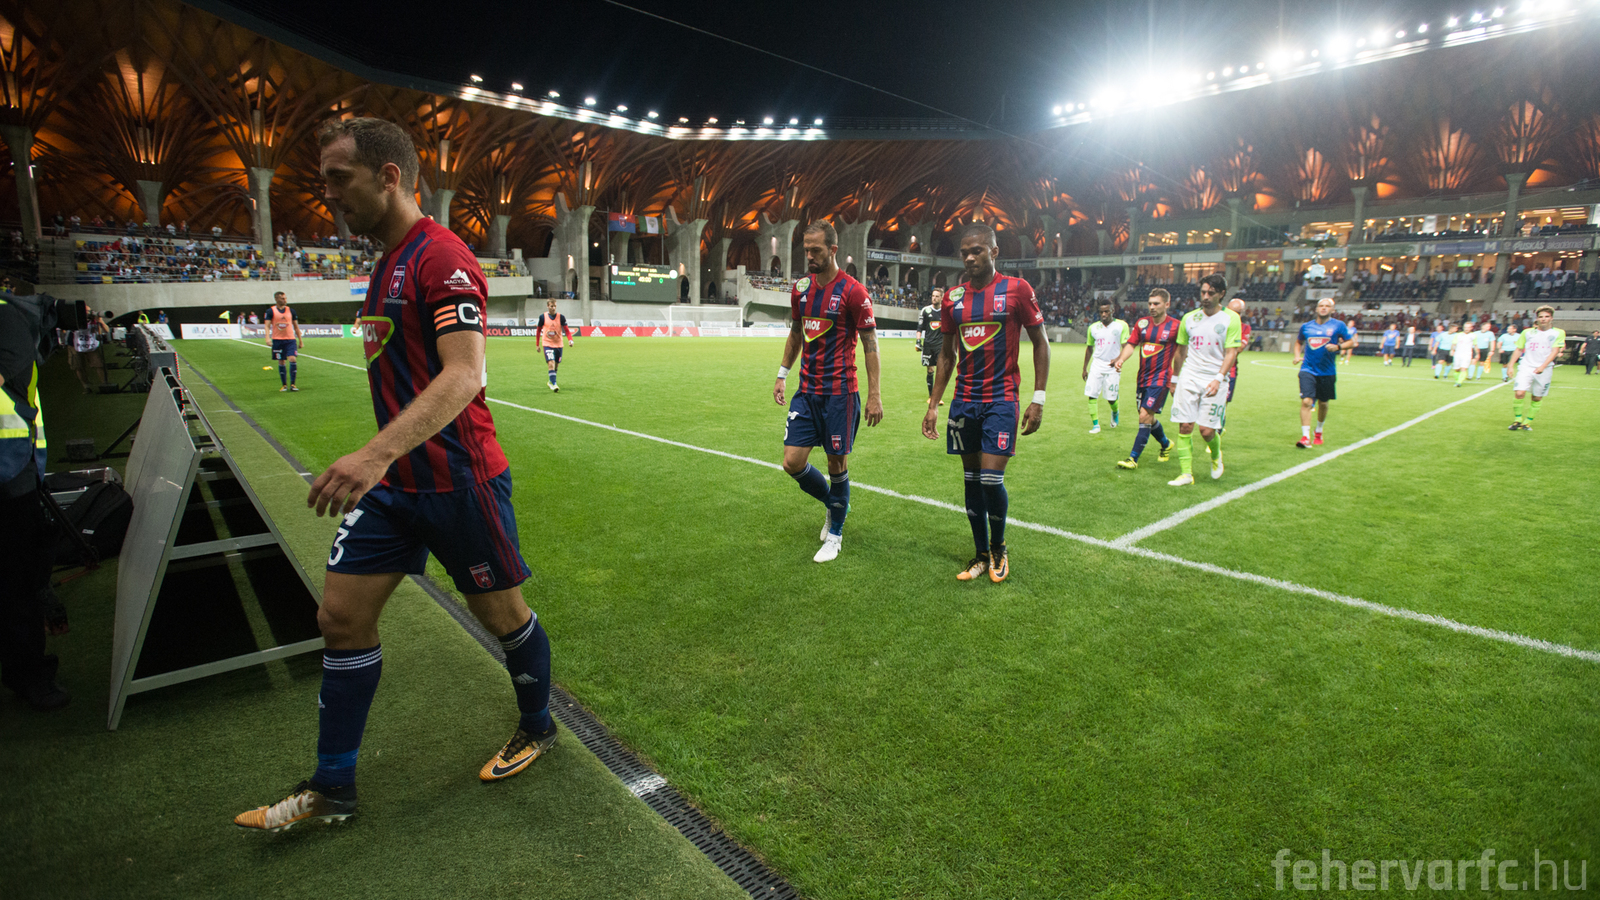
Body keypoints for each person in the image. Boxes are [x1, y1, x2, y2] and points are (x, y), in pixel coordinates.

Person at [235, 117, 555, 832]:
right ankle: (333, 788)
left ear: (388, 176)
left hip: (458, 480)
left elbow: (464, 375)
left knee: (503, 618)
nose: (327, 194)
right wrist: (384, 462)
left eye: (338, 178)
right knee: (340, 618)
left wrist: (374, 452)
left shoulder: (442, 258)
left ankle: (538, 725)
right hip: (394, 489)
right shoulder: (386, 262)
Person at [923, 223, 1048, 582]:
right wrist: (934, 403)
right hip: (964, 401)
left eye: (977, 250)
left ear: (994, 252)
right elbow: (947, 355)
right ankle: (979, 554)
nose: (969, 257)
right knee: (971, 479)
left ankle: (999, 547)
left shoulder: (1017, 289)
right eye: (964, 252)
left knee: (991, 479)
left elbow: (1041, 342)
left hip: (1001, 399)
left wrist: (1038, 398)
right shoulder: (953, 298)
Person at [772, 222, 882, 564]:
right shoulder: (801, 289)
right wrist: (782, 374)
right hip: (807, 391)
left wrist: (875, 395)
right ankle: (835, 506)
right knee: (792, 462)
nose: (809, 256)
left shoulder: (853, 292)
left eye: (816, 250)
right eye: (806, 249)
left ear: (833, 250)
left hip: (840, 394)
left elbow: (870, 344)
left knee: (837, 465)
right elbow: (796, 333)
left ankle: (835, 535)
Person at [0, 295, 69, 711]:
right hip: (11, 469)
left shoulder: (5, 315)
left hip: (10, 472)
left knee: (17, 584)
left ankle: (28, 674)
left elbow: (14, 373)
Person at [1166, 274, 1242, 484]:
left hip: (1215, 377)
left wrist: (1219, 378)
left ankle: (1216, 456)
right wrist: (1175, 379)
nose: (1206, 297)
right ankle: (1186, 474)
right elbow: (1181, 351)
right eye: (1203, 292)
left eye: (1211, 293)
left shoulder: (1231, 318)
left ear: (1222, 294)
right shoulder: (1189, 318)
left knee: (1206, 431)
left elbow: (1231, 353)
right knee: (1185, 426)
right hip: (1189, 375)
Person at [1113, 288, 1179, 470]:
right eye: (1150, 303)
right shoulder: (1142, 324)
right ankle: (1166, 443)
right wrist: (1121, 359)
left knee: (1144, 416)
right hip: (1142, 378)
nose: (1152, 307)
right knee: (1147, 417)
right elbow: (1131, 345)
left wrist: (1176, 379)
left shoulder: (1175, 326)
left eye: (1156, 303)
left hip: (1161, 378)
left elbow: (1182, 352)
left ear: (1167, 304)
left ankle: (1132, 459)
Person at [1292, 297, 1354, 449]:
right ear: (1316, 309)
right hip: (1307, 369)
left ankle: (1318, 430)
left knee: (1324, 403)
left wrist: (1338, 347)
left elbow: (1351, 342)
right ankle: (1305, 437)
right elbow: (1298, 342)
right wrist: (1297, 355)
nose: (1324, 308)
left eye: (1327, 306)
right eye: (1321, 306)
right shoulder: (1306, 327)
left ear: (1332, 309)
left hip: (1327, 371)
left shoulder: (1338, 325)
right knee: (1306, 402)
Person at [1506, 305, 1566, 431]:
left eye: (1546, 316)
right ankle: (1517, 420)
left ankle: (1527, 422)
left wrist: (1543, 366)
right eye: (1541, 317)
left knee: (1537, 397)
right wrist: (1510, 365)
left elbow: (1555, 351)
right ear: (1537, 318)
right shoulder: (1527, 332)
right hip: (1526, 366)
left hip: (1545, 368)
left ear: (1551, 318)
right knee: (1519, 392)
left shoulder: (1558, 333)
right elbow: (1519, 349)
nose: (1543, 319)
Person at [1081, 301, 1126, 434]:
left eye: (1106, 311)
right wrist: (1084, 368)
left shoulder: (1121, 326)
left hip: (1112, 367)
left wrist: (1118, 360)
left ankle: (1115, 411)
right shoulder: (1093, 328)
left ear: (1112, 311)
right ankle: (1096, 425)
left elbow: (1126, 347)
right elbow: (1089, 348)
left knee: (1111, 399)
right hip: (1097, 365)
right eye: (1101, 312)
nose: (1104, 314)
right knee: (1092, 395)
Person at [266, 291, 302, 392]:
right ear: (276, 299)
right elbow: (267, 326)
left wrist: (300, 340)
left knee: (292, 359)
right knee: (281, 361)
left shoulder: (291, 311)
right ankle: (284, 385)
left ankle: (293, 384)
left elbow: (296, 326)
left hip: (290, 339)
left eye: (285, 298)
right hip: (277, 340)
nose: (285, 300)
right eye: (282, 298)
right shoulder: (270, 311)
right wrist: (267, 338)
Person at [536, 299, 573, 392]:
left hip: (558, 344)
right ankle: (554, 384)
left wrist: (570, 340)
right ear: (548, 306)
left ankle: (550, 381)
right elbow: (538, 331)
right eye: (551, 306)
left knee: (556, 365)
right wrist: (537, 344)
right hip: (547, 343)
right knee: (551, 362)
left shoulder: (561, 317)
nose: (553, 308)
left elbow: (567, 330)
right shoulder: (542, 317)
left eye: (555, 306)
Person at [916, 287, 944, 404]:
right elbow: (919, 328)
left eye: (937, 296)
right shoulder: (925, 311)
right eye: (933, 296)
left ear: (941, 298)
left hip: (940, 345)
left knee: (940, 371)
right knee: (930, 369)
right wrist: (918, 341)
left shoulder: (945, 311)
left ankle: (937, 397)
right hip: (928, 345)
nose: (934, 298)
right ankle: (931, 396)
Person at [1225, 296, 1251, 403]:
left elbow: (1239, 348)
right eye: (1231, 311)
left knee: (1223, 403)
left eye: (1237, 312)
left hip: (1230, 371)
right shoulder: (1217, 324)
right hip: (1210, 369)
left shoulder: (1244, 328)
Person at [1451, 321, 1476, 388]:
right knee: (1457, 369)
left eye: (1468, 327)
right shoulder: (1458, 335)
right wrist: (1452, 350)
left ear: (1471, 328)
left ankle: (1459, 382)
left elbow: (1475, 345)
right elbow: (1454, 343)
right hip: (1458, 353)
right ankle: (1457, 380)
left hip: (1467, 354)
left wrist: (1477, 353)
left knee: (1463, 368)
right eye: (1465, 327)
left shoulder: (1473, 335)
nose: (1467, 329)